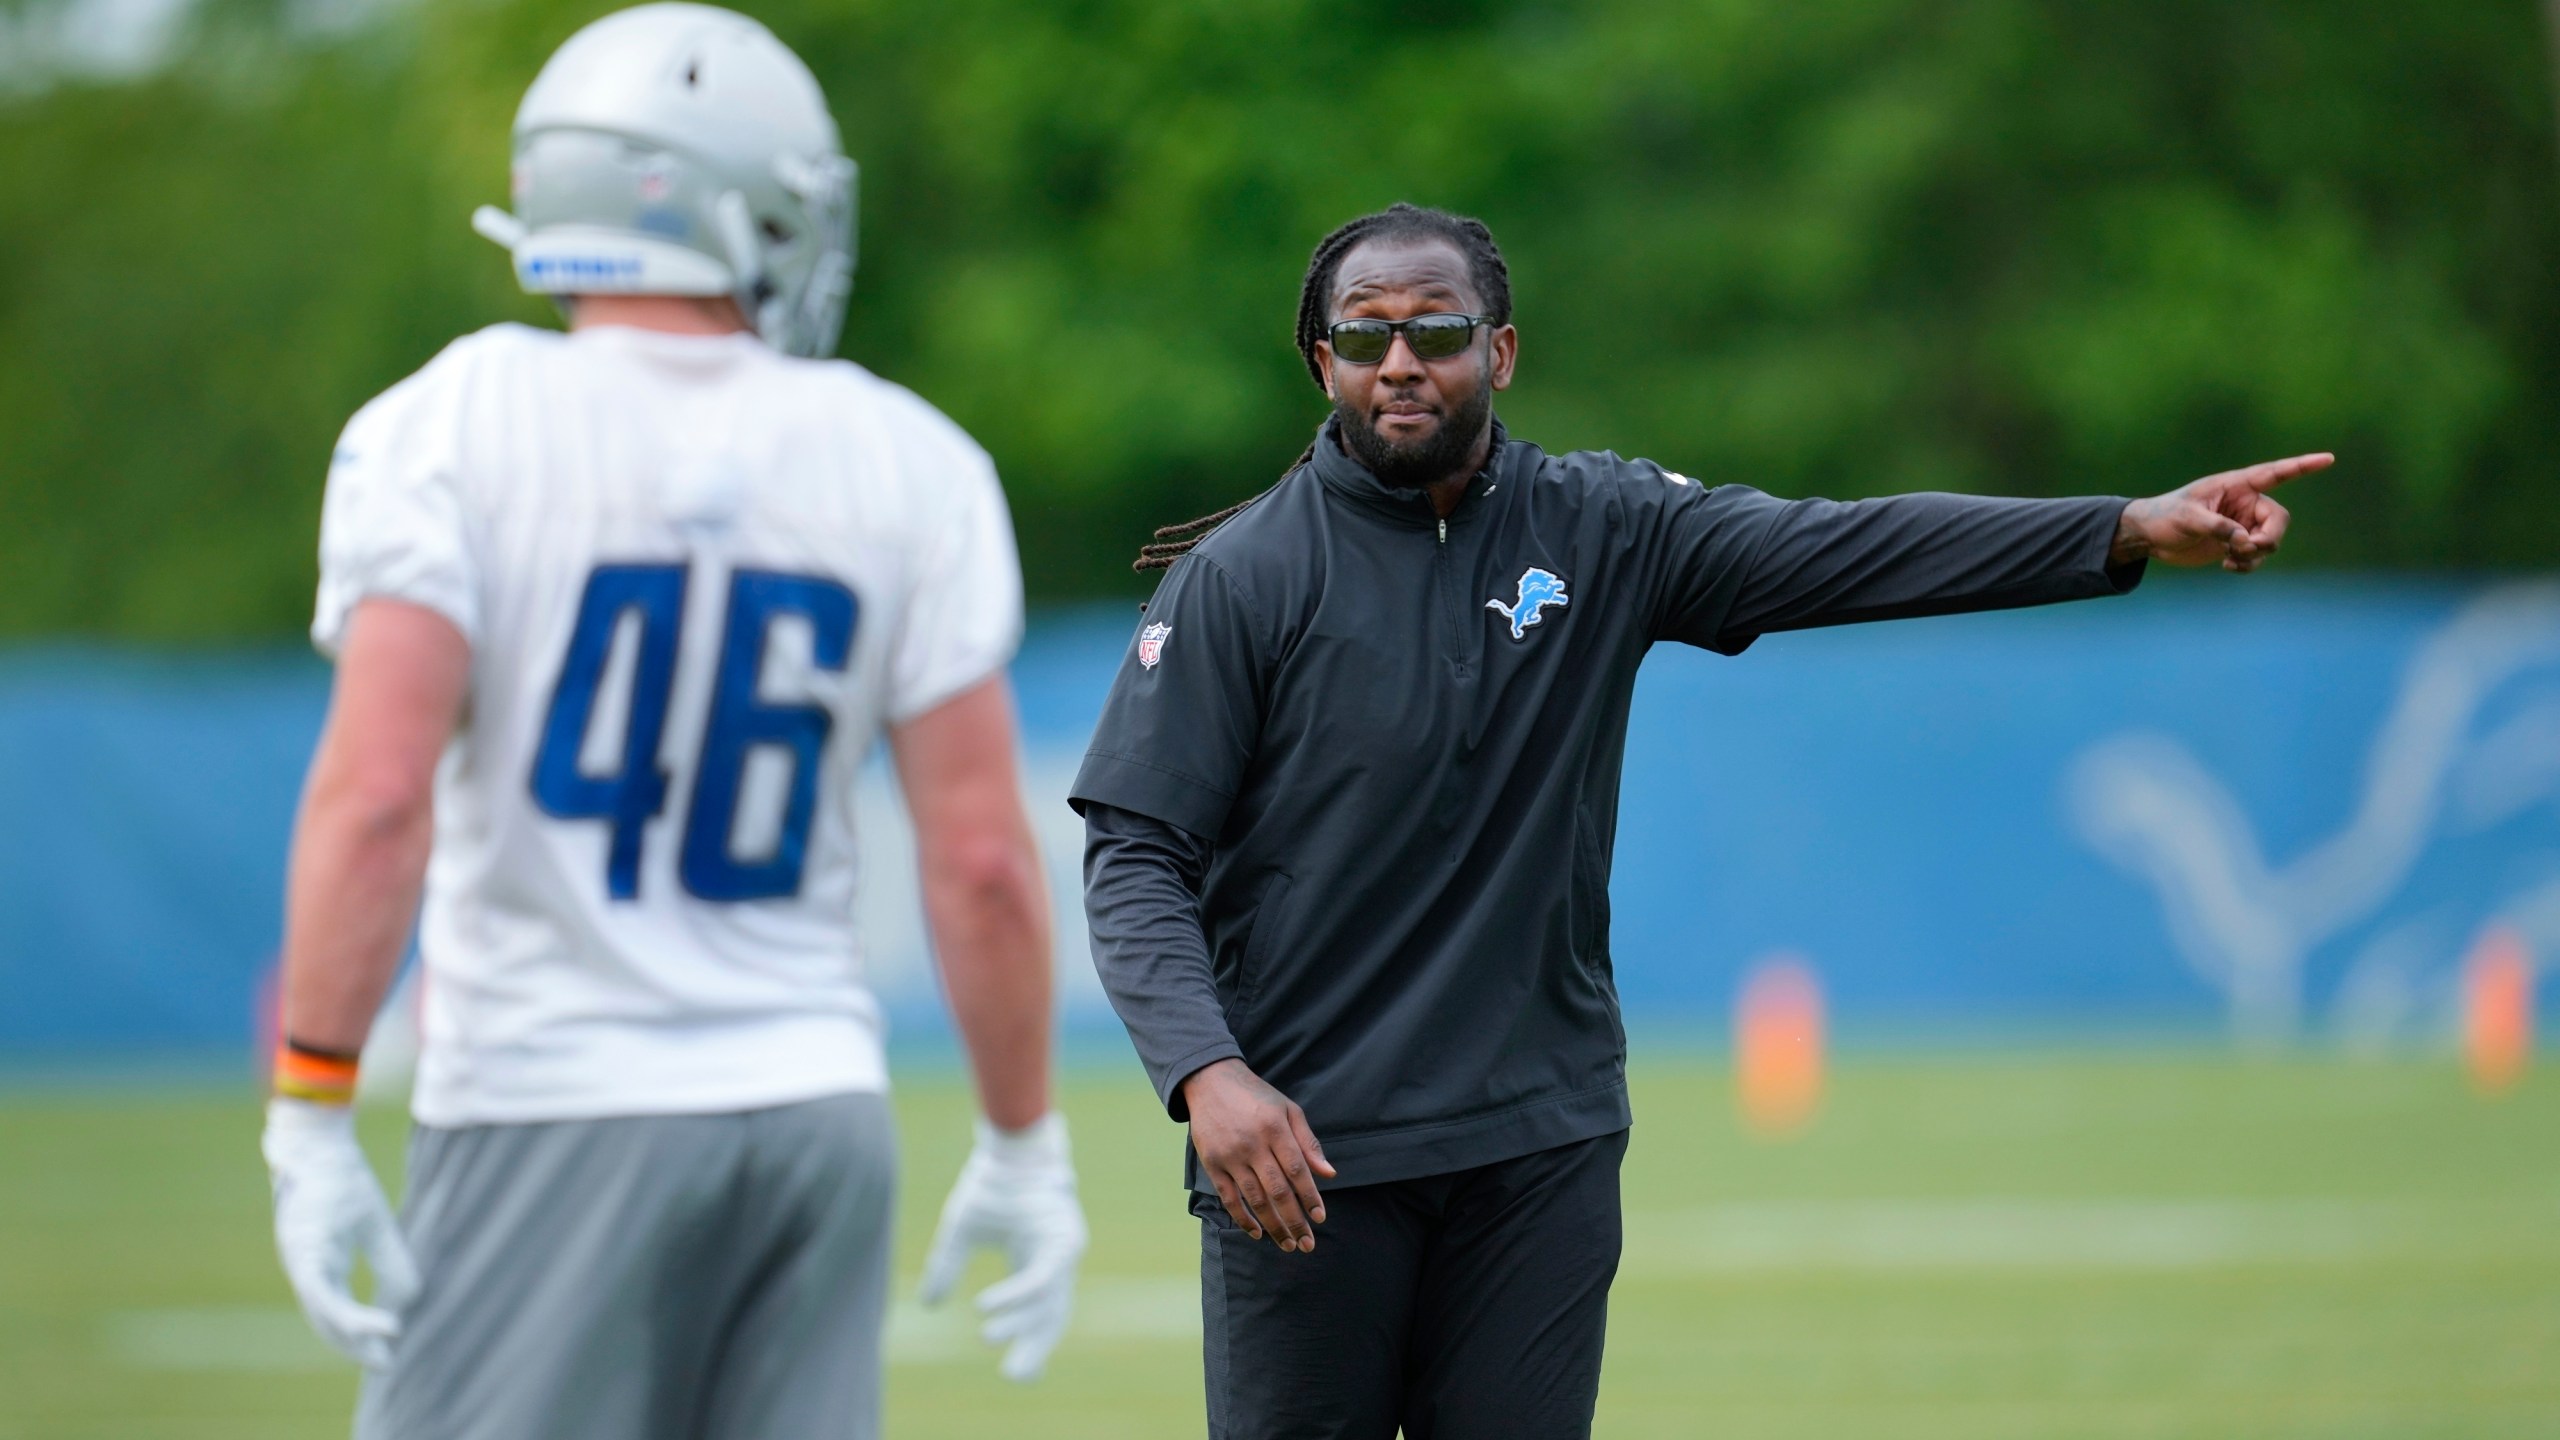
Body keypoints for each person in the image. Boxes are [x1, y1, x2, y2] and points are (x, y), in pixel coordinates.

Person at [1071, 201, 2326, 1439]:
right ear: (1321, 361)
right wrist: (1208, 1075)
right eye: (1364, 337)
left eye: (1436, 332)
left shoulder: (1601, 527)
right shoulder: (1242, 577)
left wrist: (2117, 528)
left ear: (1498, 352)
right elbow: (1134, 854)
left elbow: (1850, 550)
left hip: (1538, 1144)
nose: (1399, 363)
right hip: (1307, 1159)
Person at [258, 8, 1085, 1436]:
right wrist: (1023, 1143)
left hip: (550, 1102)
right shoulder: (908, 455)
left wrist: (314, 1102)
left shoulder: (450, 422)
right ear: (732, 199)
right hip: (816, 1115)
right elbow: (986, 864)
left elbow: (377, 793)